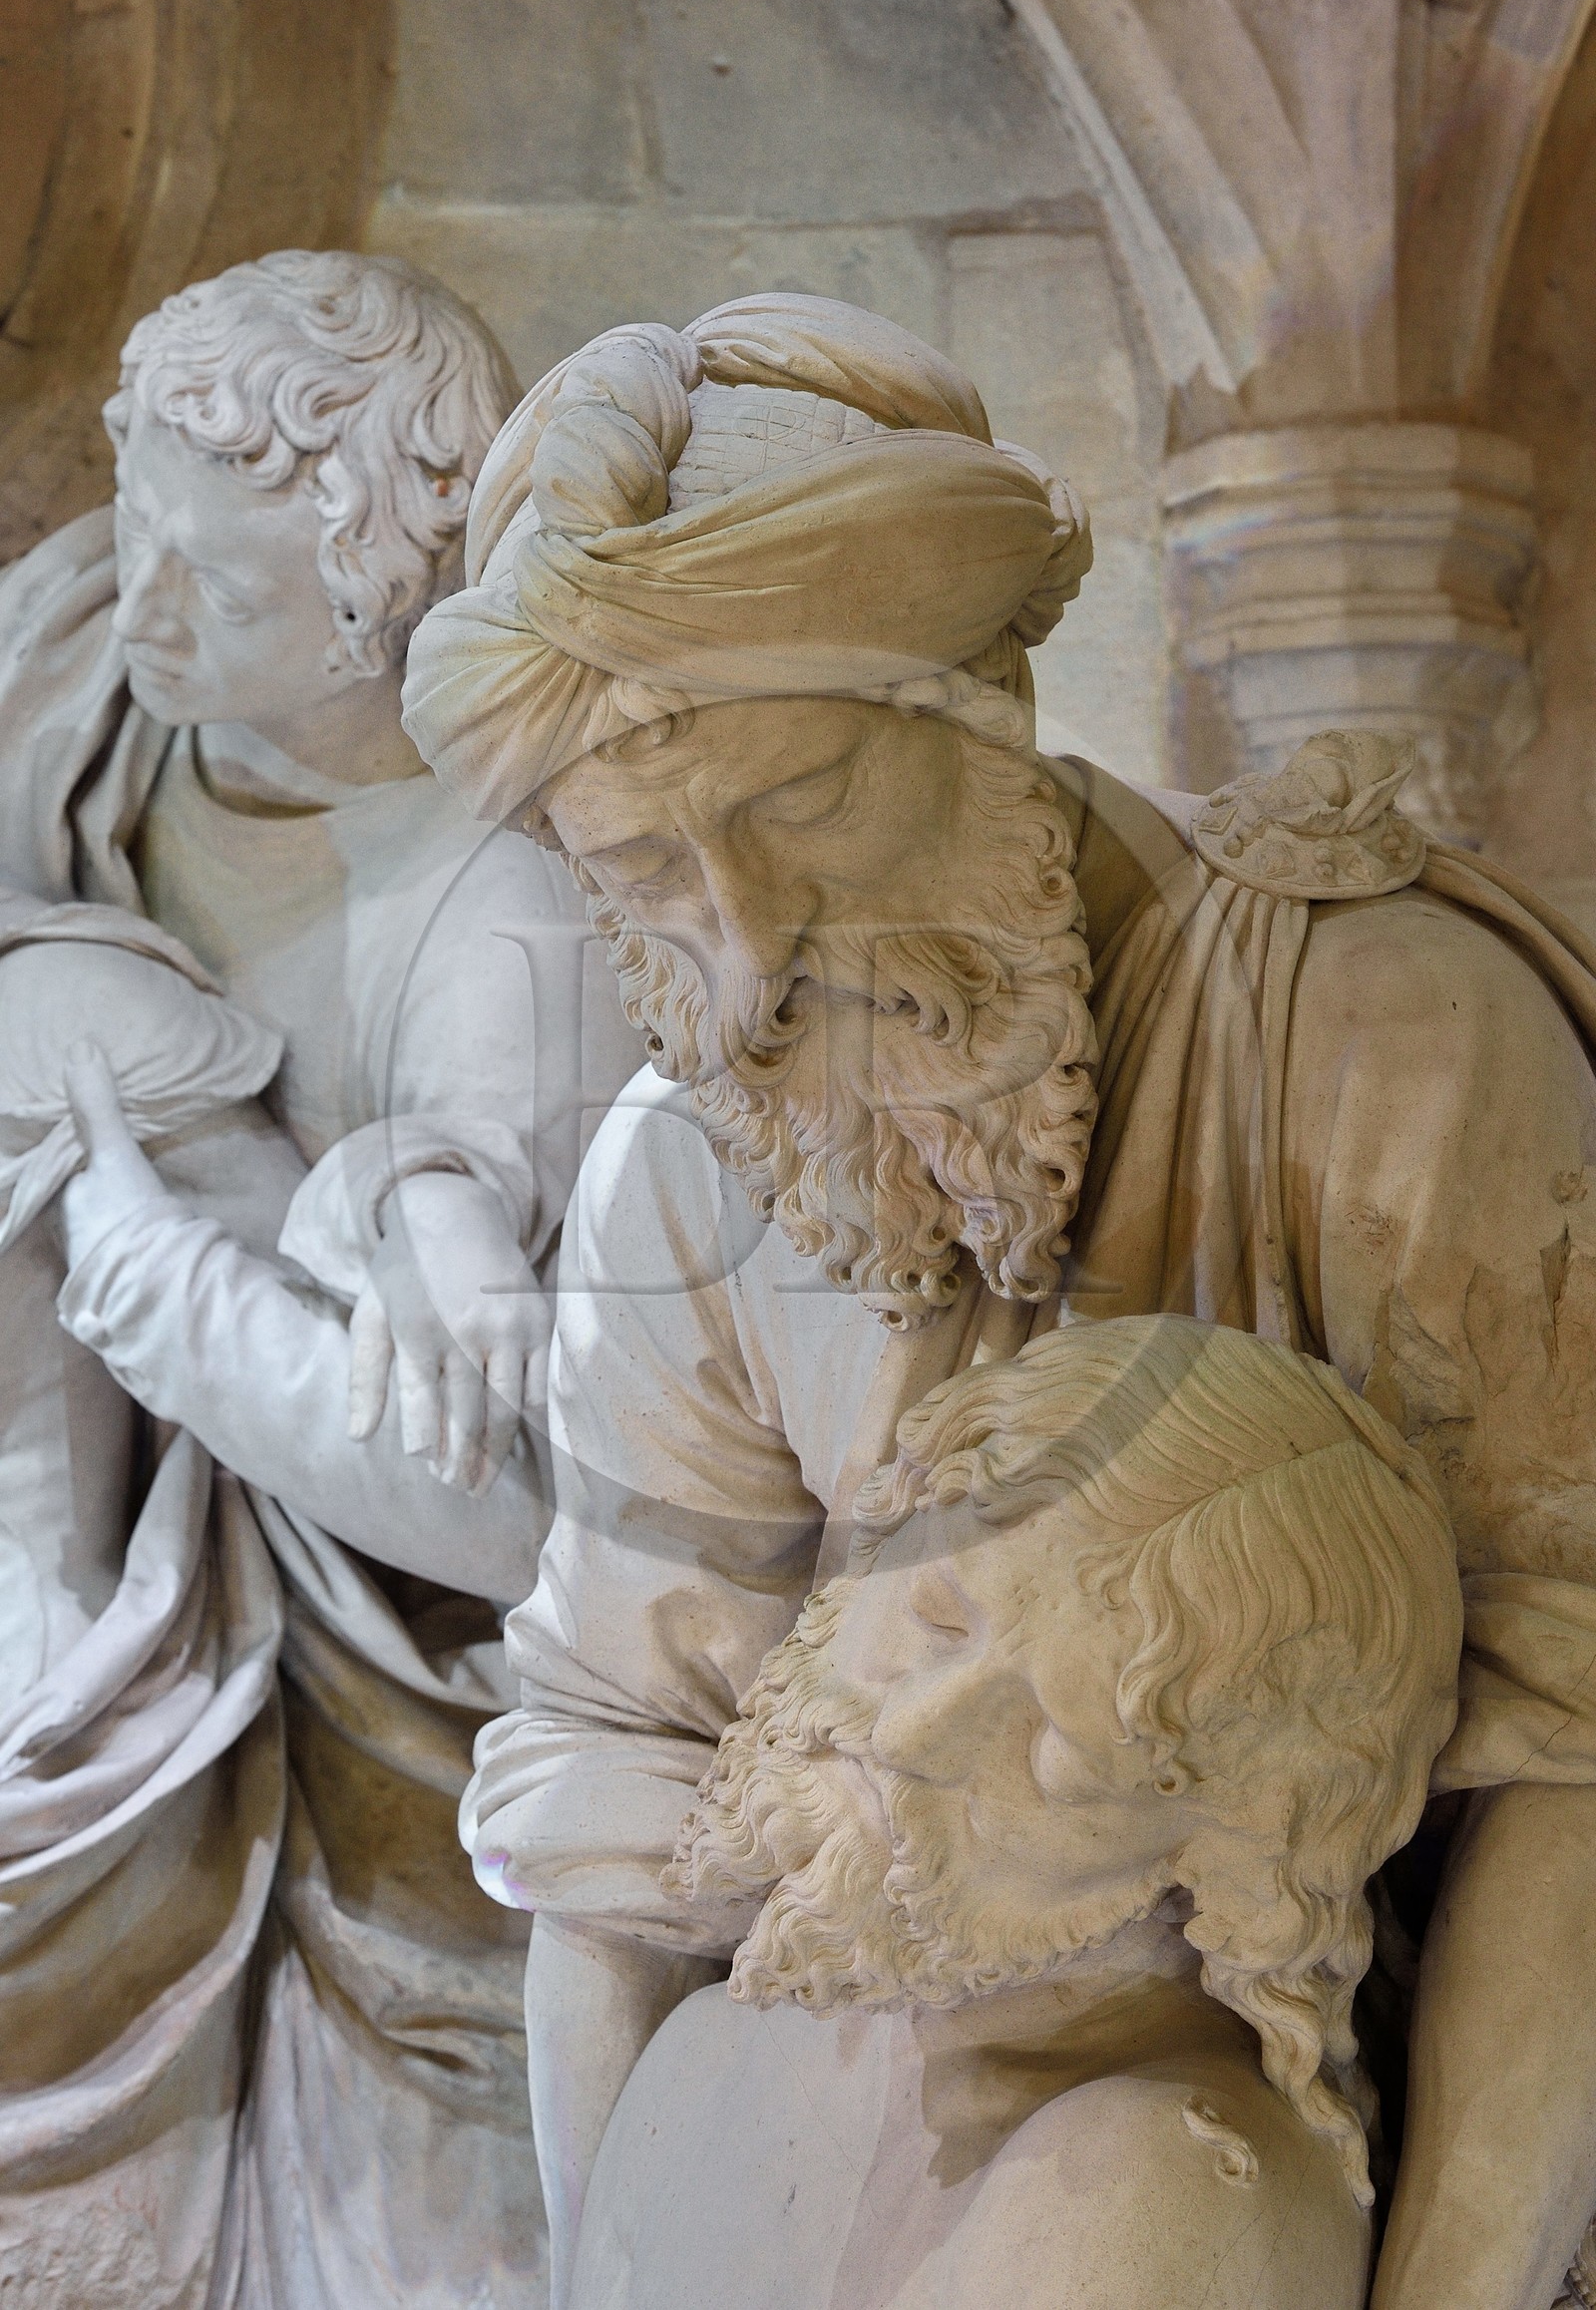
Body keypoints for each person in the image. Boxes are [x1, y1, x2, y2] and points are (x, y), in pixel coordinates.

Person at [398, 293, 1596, 2310]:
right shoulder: (686, 1160)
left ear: (974, 713)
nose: (745, 944)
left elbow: (1563, 1771)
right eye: (643, 868)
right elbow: (623, 1784)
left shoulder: (1376, 1030)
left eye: (791, 805)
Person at [0, 252, 639, 2308]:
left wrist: (168, 1264)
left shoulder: (500, 906)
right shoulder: (93, 646)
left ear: (387, 604)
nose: (152, 607)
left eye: (231, 587)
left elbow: (527, 1518)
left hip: (381, 1752)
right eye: (144, 534)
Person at [574, 1316, 1462, 2310]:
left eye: (1057, 1747)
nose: (911, 1729)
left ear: (1236, 1843)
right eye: (938, 1614)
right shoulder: (720, 2047)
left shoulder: (1135, 2181)